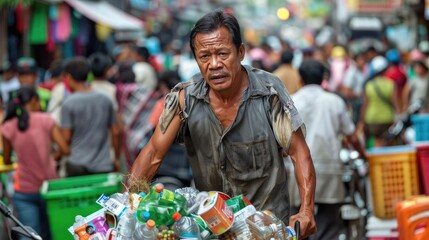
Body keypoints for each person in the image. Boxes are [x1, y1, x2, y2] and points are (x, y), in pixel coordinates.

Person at [129, 10, 316, 238]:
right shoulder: (184, 98)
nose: (214, 64)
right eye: (204, 56)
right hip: (211, 228)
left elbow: (299, 152)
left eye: (223, 53)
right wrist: (124, 208)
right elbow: (153, 153)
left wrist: (306, 210)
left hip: (266, 227)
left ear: (240, 52)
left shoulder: (269, 92)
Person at [289, 59, 367, 240]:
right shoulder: (334, 101)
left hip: (296, 172)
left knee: (297, 224)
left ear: (300, 79)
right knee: (329, 225)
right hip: (329, 169)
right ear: (323, 78)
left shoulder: (290, 101)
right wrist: (364, 155)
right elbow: (351, 135)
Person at [1, 86, 69, 240]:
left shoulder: (8, 126)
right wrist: (51, 158)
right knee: (53, 232)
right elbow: (65, 149)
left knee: (29, 234)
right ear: (33, 100)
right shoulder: (46, 120)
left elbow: (6, 159)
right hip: (50, 187)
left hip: (24, 189)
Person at [60, 57, 120, 177]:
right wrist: (116, 158)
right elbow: (116, 132)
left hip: (76, 164)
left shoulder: (68, 103)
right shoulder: (105, 98)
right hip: (102, 164)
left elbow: (66, 138)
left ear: (68, 77)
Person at [358, 56, 400, 147]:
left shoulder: (369, 85)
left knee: (376, 142)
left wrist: (361, 121)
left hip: (372, 120)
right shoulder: (391, 84)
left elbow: (365, 105)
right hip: (387, 119)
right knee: (388, 143)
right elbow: (395, 103)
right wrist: (398, 118)